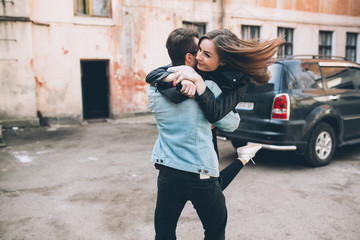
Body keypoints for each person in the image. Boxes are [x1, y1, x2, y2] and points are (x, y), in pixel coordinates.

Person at [148, 28, 259, 240]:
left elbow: (156, 78)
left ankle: (245, 158)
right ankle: (245, 158)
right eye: (198, 50)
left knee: (164, 232)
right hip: (201, 173)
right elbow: (231, 123)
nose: (200, 56)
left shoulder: (154, 87)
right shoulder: (206, 87)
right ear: (189, 57)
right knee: (215, 230)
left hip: (167, 168)